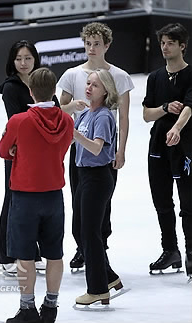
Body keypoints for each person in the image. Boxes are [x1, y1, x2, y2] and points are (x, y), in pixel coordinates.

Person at [57, 22, 134, 270]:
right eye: (88, 43)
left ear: (107, 45)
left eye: (96, 44)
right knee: (79, 200)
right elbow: (60, 111)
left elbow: (123, 116)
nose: (91, 48)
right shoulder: (72, 75)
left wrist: (121, 149)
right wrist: (74, 107)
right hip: (79, 149)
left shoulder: (119, 77)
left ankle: (100, 247)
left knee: (102, 199)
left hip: (104, 147)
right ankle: (83, 246)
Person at [0, 67, 73, 323]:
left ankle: (27, 308)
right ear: (54, 91)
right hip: (54, 194)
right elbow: (64, 148)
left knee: (25, 255)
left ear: (30, 91)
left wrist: (17, 149)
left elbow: (3, 150)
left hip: (25, 196)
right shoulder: (67, 120)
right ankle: (51, 306)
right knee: (54, 253)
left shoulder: (19, 121)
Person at [0, 40, 61, 275]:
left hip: (41, 152)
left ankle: (32, 253)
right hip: (18, 151)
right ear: (12, 62)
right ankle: (6, 254)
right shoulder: (11, 88)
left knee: (35, 203)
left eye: (28, 58)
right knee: (13, 200)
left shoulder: (42, 83)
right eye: (19, 59)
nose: (24, 63)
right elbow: (18, 121)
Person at [142, 23, 192, 279]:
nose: (165, 47)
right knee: (162, 202)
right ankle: (170, 250)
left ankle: (191, 254)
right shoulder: (154, 78)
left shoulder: (191, 74)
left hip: (185, 148)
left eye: (170, 43)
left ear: (182, 46)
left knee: (188, 204)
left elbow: (189, 106)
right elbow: (146, 114)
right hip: (158, 146)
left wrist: (178, 128)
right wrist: (164, 108)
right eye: (162, 43)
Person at [72, 69, 122, 306]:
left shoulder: (103, 116)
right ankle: (109, 277)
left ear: (106, 92)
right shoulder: (85, 114)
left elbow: (96, 148)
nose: (89, 88)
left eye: (95, 85)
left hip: (98, 177)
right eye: (88, 83)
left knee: (90, 233)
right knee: (81, 230)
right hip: (84, 176)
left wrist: (72, 133)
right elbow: (72, 139)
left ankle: (98, 289)